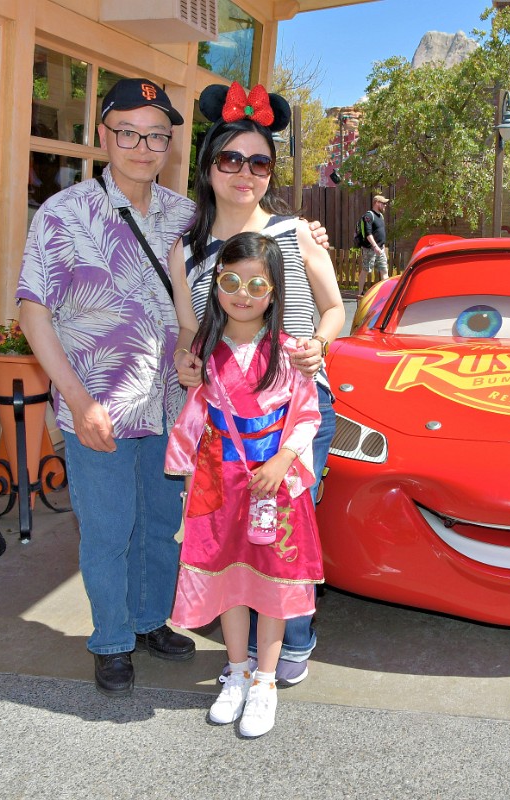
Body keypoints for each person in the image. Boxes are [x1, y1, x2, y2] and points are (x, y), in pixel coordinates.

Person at [17, 78, 330, 697]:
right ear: (104, 134)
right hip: (99, 407)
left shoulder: (185, 217)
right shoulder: (64, 213)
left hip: (176, 409)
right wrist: (77, 402)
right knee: (108, 530)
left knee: (161, 527)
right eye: (128, 132)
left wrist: (307, 235)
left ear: (170, 146)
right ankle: (111, 639)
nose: (142, 145)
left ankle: (149, 620)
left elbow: (246, 254)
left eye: (156, 134)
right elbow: (33, 311)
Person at [169, 82, 343, 688]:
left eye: (260, 161)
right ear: (209, 164)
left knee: (288, 529)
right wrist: (188, 365)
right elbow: (191, 330)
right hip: (225, 419)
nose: (245, 173)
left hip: (293, 410)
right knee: (237, 527)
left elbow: (334, 309)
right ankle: (246, 651)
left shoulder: (296, 234)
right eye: (231, 159)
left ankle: (293, 638)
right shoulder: (187, 252)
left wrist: (319, 345)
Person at [166, 231, 323, 738]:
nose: (243, 294)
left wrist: (282, 460)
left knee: (273, 584)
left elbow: (307, 415)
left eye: (257, 285)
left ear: (275, 291)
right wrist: (187, 469)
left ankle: (265, 681)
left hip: (272, 485)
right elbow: (196, 418)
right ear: (215, 286)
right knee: (230, 580)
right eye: (231, 280)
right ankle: (234, 673)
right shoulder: (203, 353)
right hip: (220, 483)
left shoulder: (291, 351)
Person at [358, 194, 390, 296]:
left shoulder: (381, 216)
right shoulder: (369, 216)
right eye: (383, 203)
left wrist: (382, 246)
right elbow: (368, 233)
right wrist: (375, 246)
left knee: (384, 270)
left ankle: (386, 296)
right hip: (370, 249)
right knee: (366, 270)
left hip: (380, 249)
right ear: (377, 203)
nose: (385, 205)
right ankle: (360, 294)